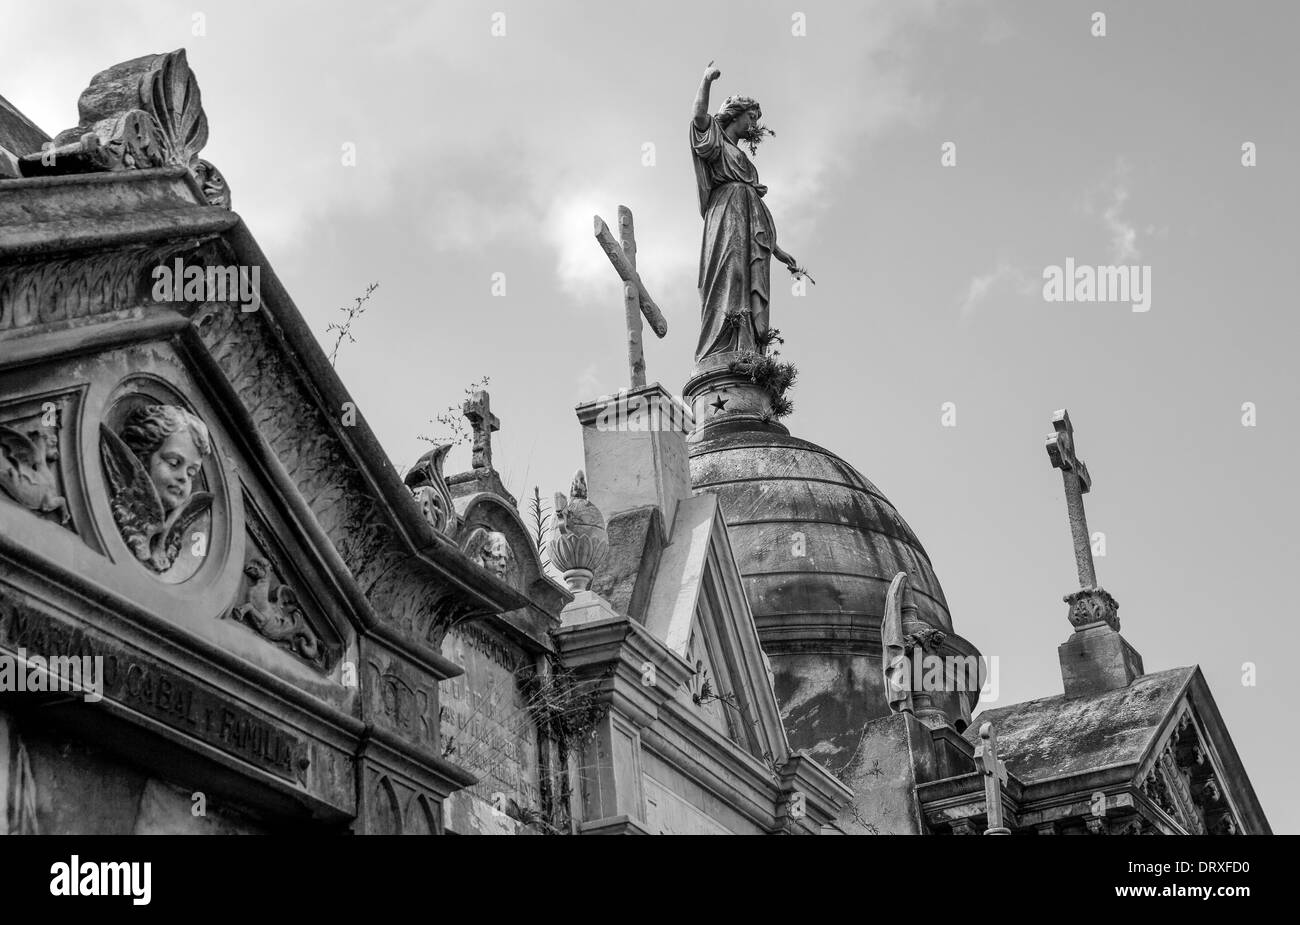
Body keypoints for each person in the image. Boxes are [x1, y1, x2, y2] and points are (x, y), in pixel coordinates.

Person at [690, 62, 808, 363]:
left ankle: (746, 348)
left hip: (747, 220)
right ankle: (718, 346)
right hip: (725, 215)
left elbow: (758, 210)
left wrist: (776, 248)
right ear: (736, 114)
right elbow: (699, 118)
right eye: (751, 117)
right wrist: (706, 82)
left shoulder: (744, 159)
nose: (754, 124)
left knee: (744, 279)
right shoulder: (715, 139)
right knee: (728, 276)